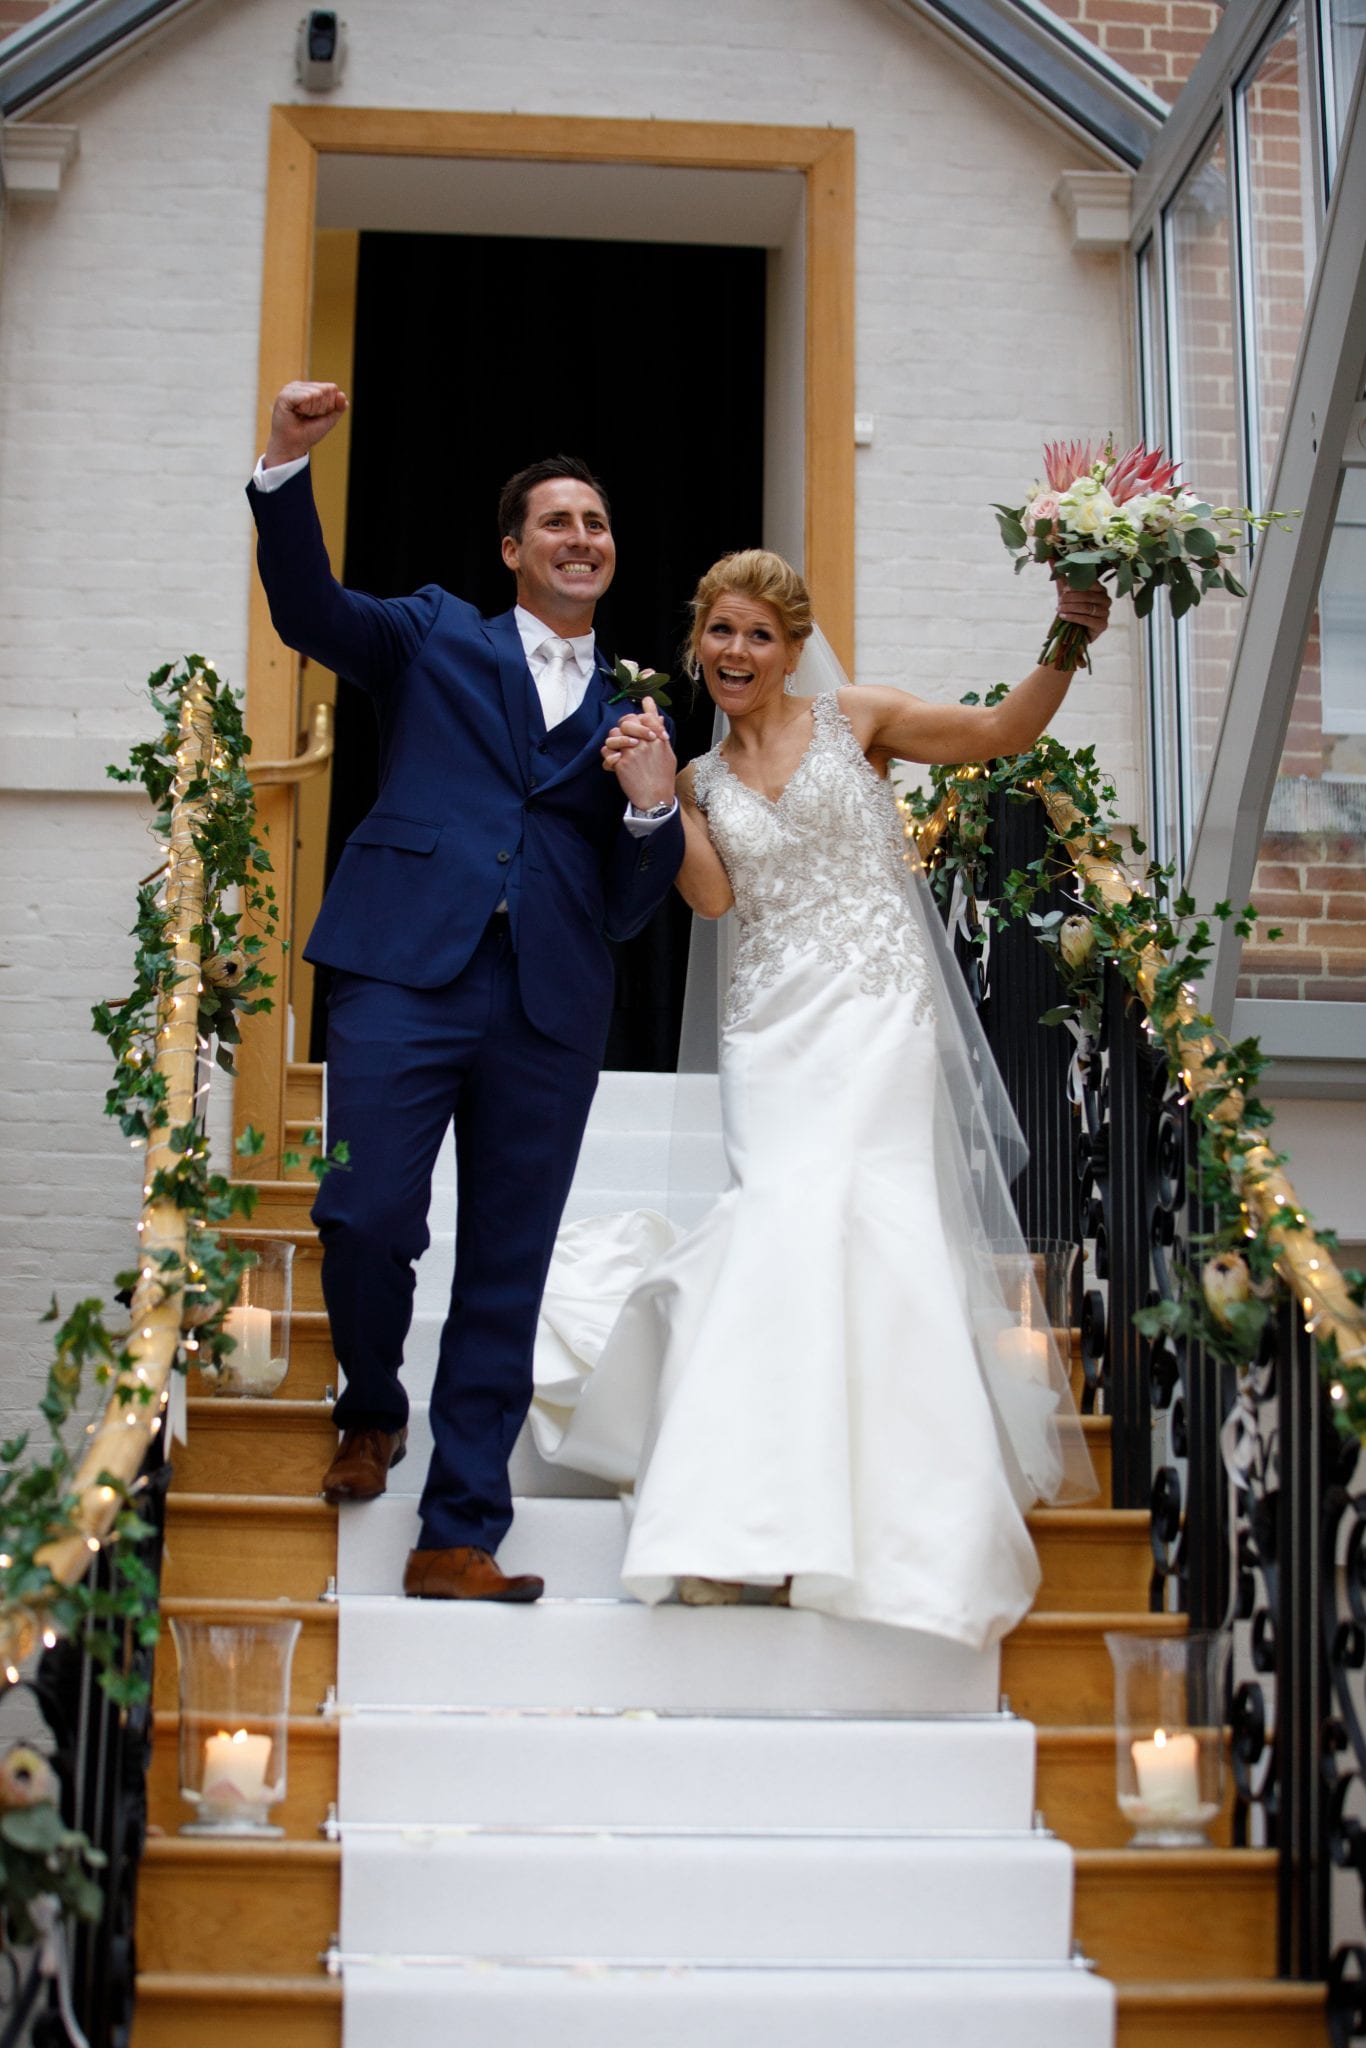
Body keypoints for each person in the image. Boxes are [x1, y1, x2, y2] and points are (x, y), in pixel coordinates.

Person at [532, 548, 1108, 1648]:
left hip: (878, 1011)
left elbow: (998, 737)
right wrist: (654, 801)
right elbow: (709, 902)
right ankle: (734, 1519)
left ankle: (878, 1523)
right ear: (697, 646)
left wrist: (1067, 638)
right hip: (770, 1028)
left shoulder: (859, 716)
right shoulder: (697, 777)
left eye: (757, 634)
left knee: (870, 1227)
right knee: (776, 1225)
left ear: (792, 648)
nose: (736, 652)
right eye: (719, 632)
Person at [246, 380, 683, 1603]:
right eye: (557, 522)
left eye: (596, 523)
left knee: (509, 1260)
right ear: (512, 548)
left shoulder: (635, 707)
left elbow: (630, 901)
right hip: (403, 968)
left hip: (548, 1002)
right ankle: (372, 1404)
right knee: (364, 1213)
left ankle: (460, 1531)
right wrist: (287, 463)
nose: (581, 538)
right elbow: (310, 609)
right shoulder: (437, 631)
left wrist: (651, 804)